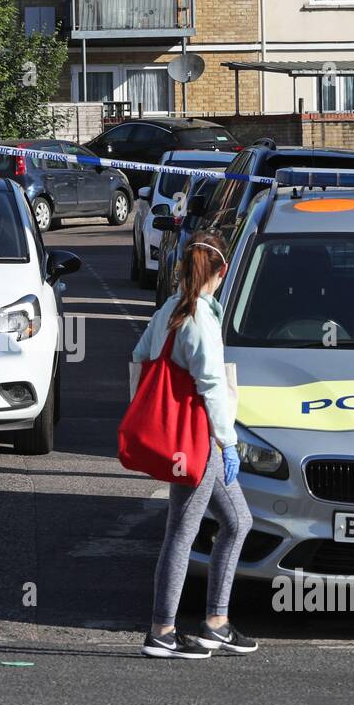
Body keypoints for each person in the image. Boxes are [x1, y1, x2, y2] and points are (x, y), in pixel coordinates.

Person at [130, 231, 256, 659]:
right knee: (183, 532)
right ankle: (163, 631)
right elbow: (213, 386)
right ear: (220, 273)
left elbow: (141, 353)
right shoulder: (201, 317)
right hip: (198, 440)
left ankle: (213, 623)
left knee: (236, 521)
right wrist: (228, 441)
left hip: (180, 438)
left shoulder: (170, 309)